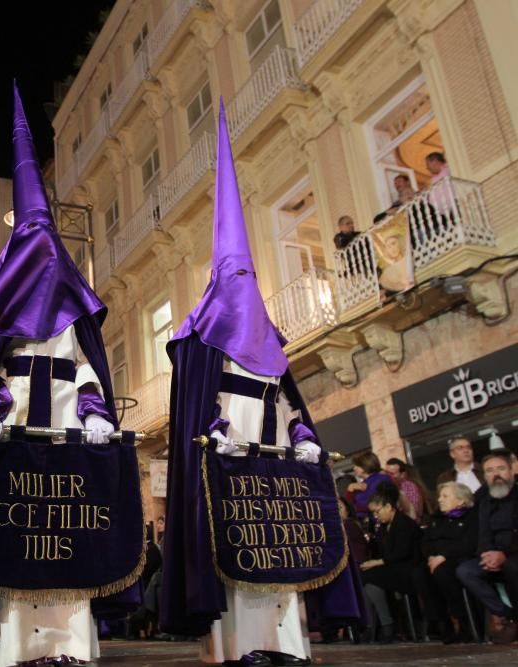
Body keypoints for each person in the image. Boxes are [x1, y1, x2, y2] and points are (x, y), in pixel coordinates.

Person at [0, 84, 130, 667]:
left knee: (71, 536)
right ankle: (20, 647)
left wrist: (96, 415)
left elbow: (88, 370)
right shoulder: (6, 312)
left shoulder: (74, 308)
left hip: (67, 437)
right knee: (22, 541)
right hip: (16, 443)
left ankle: (71, 647)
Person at [159, 100, 362, 667]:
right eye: (237, 276)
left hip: (276, 457)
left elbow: (291, 402)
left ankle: (287, 643)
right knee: (241, 549)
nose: (246, 287)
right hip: (230, 461)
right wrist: (219, 433)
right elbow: (208, 404)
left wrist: (302, 437)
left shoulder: (271, 343)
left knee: (285, 549)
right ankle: (241, 645)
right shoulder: (206, 340)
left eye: (252, 276)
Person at [455, 452, 518, 644]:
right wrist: (486, 554)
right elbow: (482, 532)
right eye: (489, 471)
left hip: (514, 552)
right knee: (466, 571)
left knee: (512, 567)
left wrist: (503, 554)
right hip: (493, 553)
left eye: (500, 469)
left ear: (512, 470)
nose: (495, 474)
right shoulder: (483, 498)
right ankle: (508, 615)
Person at [410, 482, 478, 643]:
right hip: (436, 560)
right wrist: (431, 556)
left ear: (461, 500)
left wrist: (444, 556)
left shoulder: (471, 516)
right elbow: (426, 541)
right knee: (420, 574)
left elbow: (469, 542)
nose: (440, 499)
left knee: (444, 573)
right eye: (440, 496)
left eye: (445, 496)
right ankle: (442, 622)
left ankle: (462, 621)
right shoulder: (437, 519)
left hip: (459, 558)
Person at [360, 482, 422, 643]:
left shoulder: (404, 523)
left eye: (377, 511)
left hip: (409, 568)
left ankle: (380, 625)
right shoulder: (382, 528)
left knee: (369, 576)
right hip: (393, 568)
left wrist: (378, 562)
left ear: (388, 506)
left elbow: (403, 552)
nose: (375, 516)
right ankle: (382, 625)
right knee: (367, 579)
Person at [345, 452, 391, 522]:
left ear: (366, 465)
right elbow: (349, 505)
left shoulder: (381, 479)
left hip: (378, 521)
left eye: (357, 465)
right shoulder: (363, 483)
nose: (354, 468)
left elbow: (373, 504)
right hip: (366, 522)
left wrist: (355, 508)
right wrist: (350, 489)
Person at [385, 458, 432, 523]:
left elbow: (414, 514)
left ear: (402, 474)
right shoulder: (386, 487)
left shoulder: (410, 487)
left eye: (391, 474)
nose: (388, 476)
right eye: (386, 473)